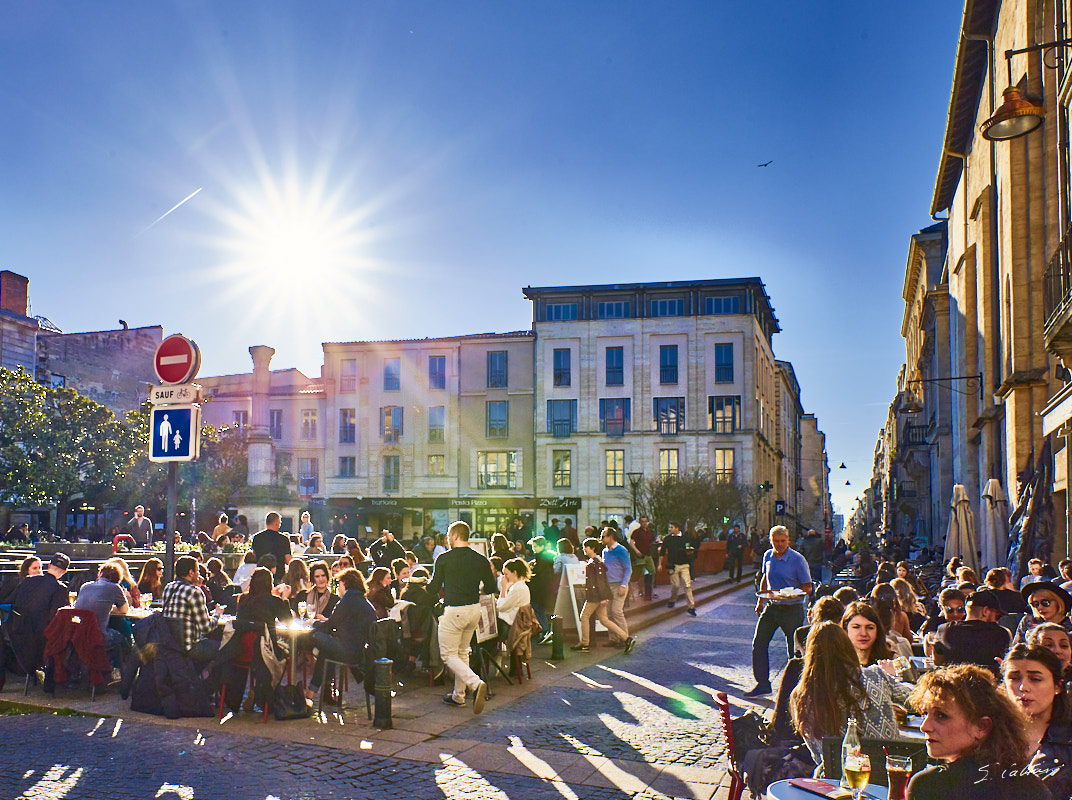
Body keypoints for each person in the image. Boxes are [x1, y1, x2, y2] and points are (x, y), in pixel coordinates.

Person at [907, 664, 1048, 799]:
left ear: (982, 727)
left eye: (941, 716)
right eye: (925, 714)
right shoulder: (1032, 786)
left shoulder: (931, 786)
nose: (924, 726)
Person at [789, 622, 914, 769]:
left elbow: (817, 755)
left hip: (837, 779)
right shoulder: (874, 675)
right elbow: (913, 698)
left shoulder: (801, 695)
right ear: (847, 646)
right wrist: (890, 680)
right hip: (887, 771)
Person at [427, 520, 493, 714]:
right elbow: (490, 588)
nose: (447, 538)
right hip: (474, 609)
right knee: (463, 652)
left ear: (455, 536)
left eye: (448, 535)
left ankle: (475, 683)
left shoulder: (444, 558)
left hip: (454, 610)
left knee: (448, 655)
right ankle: (458, 696)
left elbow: (434, 587)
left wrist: (422, 586)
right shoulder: (480, 559)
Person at [746, 525, 812, 697]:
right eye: (776, 541)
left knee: (794, 650)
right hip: (772, 607)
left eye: (783, 541)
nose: (780, 544)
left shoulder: (798, 560)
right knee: (759, 644)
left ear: (788, 540)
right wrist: (760, 601)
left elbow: (808, 587)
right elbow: (764, 580)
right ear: (771, 541)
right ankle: (762, 684)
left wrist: (793, 595)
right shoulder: (768, 555)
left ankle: (795, 689)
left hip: (792, 609)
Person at [1002, 643, 1072, 799]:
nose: (1023, 687)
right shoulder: (985, 734)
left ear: (1058, 686)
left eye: (1035, 679)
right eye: (1014, 678)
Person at [304, 568, 377, 701]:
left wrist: (312, 623)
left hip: (349, 651)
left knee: (315, 636)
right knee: (326, 651)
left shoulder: (348, 600)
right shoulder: (362, 600)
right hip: (360, 652)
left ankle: (311, 693)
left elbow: (329, 625)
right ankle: (315, 692)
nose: (338, 587)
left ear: (346, 583)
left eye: (339, 584)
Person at [570, 537, 635, 653]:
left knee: (584, 617)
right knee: (604, 620)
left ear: (593, 548)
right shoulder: (597, 562)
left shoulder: (595, 563)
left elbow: (599, 581)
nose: (584, 549)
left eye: (586, 547)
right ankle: (626, 638)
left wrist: (603, 597)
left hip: (595, 596)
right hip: (599, 596)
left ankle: (585, 643)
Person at [933, 590, 1010, 676]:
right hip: (989, 686)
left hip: (954, 684)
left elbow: (937, 661)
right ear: (985, 611)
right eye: (997, 616)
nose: (997, 620)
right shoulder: (1001, 633)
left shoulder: (944, 629)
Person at [162, 555, 223, 662]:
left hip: (170, 645)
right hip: (190, 647)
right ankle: (208, 676)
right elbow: (206, 627)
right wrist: (217, 614)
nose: (199, 574)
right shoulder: (195, 592)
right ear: (191, 573)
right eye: (197, 570)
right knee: (224, 648)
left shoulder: (169, 587)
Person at [74, 562, 129, 669]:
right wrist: (109, 609)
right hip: (99, 634)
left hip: (79, 633)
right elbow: (124, 610)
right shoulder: (115, 588)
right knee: (124, 638)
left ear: (100, 574)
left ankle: (104, 667)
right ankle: (117, 670)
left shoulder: (85, 586)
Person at [601, 527, 633, 647]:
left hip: (619, 584)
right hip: (608, 585)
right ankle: (613, 638)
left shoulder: (621, 550)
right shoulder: (605, 551)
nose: (601, 539)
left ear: (611, 537)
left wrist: (624, 585)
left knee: (616, 611)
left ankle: (624, 639)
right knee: (609, 613)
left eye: (603, 536)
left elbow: (628, 569)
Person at [841, 601, 893, 666]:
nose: (864, 633)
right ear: (845, 630)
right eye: (856, 627)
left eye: (870, 628)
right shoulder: (836, 664)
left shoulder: (892, 661)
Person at [661, 521, 697, 616]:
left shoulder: (685, 538)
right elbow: (663, 552)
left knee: (687, 585)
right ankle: (672, 599)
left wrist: (690, 553)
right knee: (675, 585)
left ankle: (691, 606)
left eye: (671, 527)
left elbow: (690, 549)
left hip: (684, 564)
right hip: (673, 565)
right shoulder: (668, 539)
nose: (670, 529)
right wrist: (659, 564)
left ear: (677, 528)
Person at [528, 535, 555, 640]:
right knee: (539, 609)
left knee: (537, 609)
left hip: (539, 589)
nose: (533, 548)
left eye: (535, 546)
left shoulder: (541, 559)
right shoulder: (545, 558)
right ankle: (545, 630)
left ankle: (545, 629)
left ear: (541, 546)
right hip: (544, 589)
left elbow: (538, 574)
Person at [496, 558, 532, 630]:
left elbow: (501, 607)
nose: (504, 577)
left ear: (514, 573)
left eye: (506, 574)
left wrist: (504, 588)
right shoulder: (521, 586)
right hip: (518, 623)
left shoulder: (517, 589)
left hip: (512, 626)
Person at [629, 516, 656, 601]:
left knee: (652, 571)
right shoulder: (637, 532)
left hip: (648, 555)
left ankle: (649, 590)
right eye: (643, 522)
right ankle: (641, 591)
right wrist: (636, 550)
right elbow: (631, 542)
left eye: (646, 521)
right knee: (641, 574)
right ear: (640, 523)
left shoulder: (649, 532)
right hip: (640, 556)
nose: (645, 523)